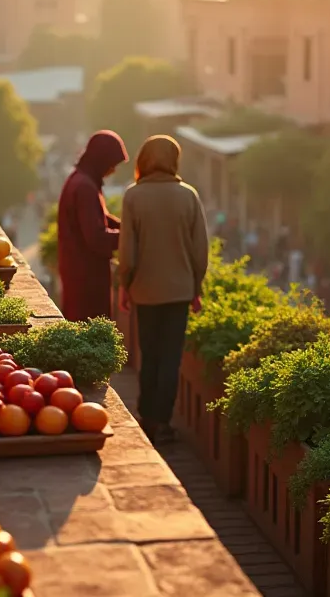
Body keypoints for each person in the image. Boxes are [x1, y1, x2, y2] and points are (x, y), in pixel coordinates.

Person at [117, 135, 209, 443]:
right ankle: (163, 422)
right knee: (171, 359)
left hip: (145, 291)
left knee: (150, 355)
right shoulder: (189, 196)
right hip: (180, 291)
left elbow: (127, 254)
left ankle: (147, 416)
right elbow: (200, 252)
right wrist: (196, 287)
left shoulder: (133, 197)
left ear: (143, 160)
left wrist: (125, 285)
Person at [56, 130, 127, 321]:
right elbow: (97, 237)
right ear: (101, 160)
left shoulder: (81, 180)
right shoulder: (85, 187)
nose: (113, 170)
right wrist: (130, 236)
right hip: (86, 276)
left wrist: (127, 226)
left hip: (78, 271)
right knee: (90, 328)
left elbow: (101, 217)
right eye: (112, 164)